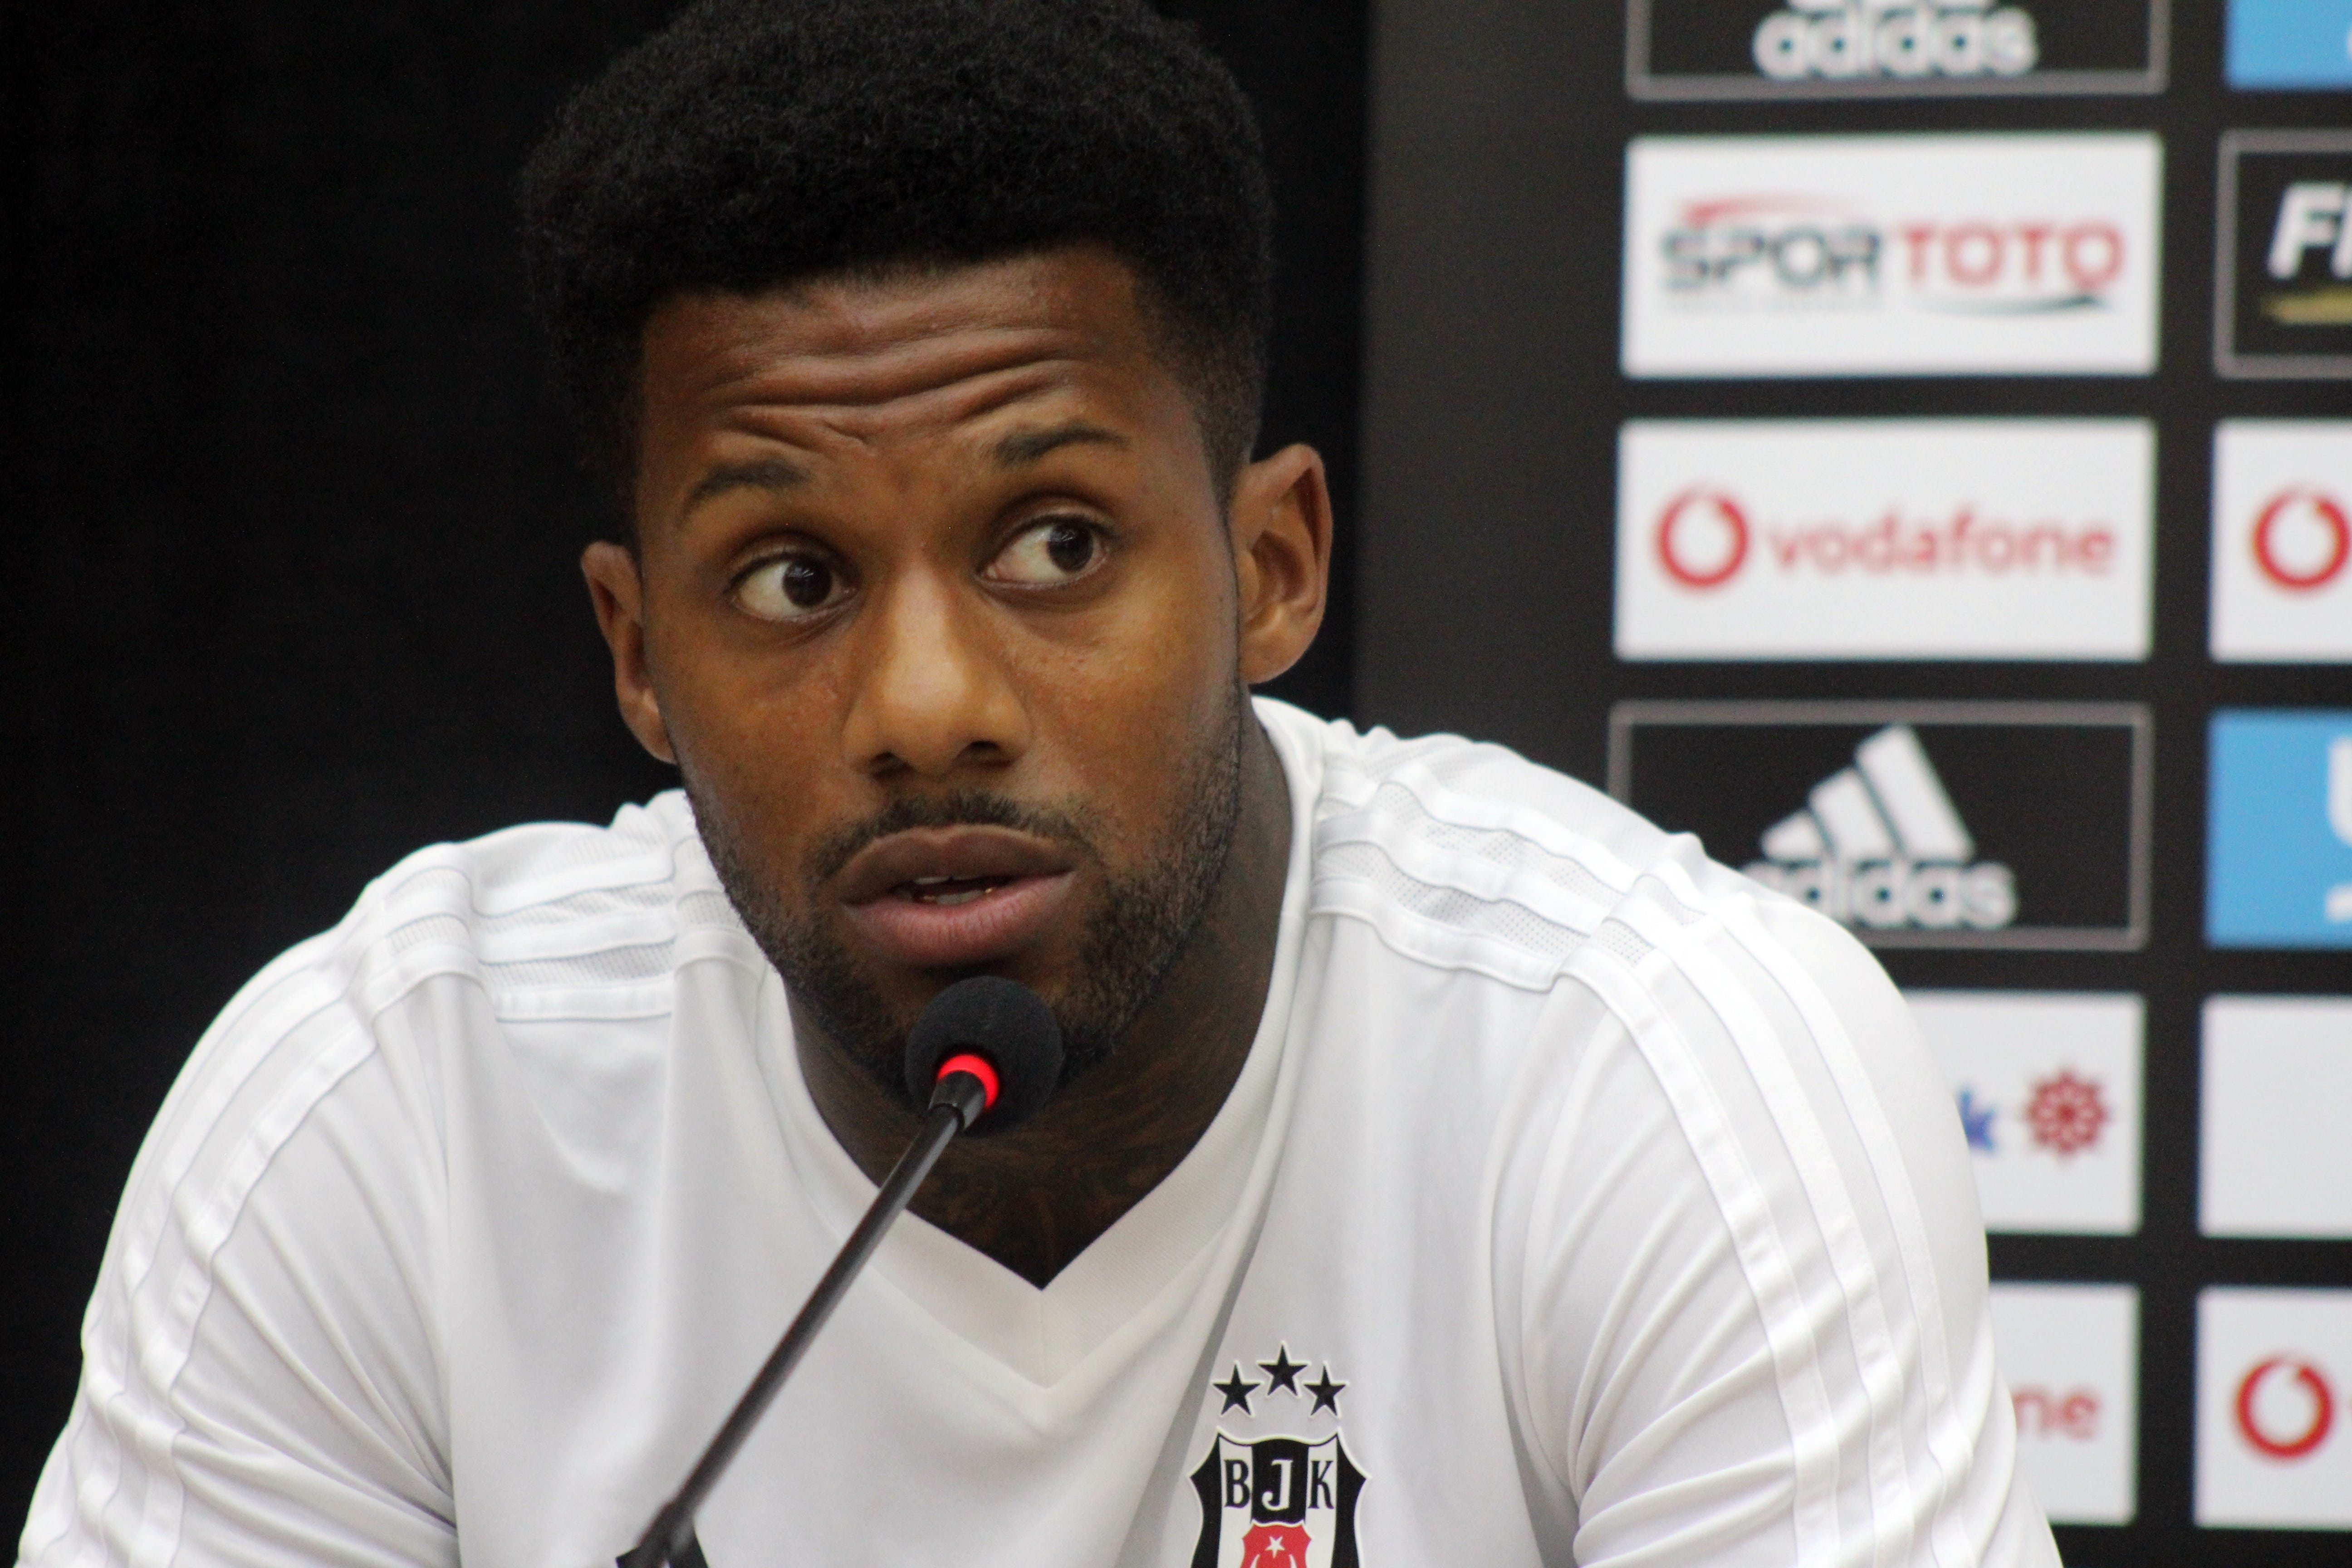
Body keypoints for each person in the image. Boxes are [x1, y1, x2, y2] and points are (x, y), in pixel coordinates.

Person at [18, 1, 2058, 1563]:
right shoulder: (391, 1121)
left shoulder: (1656, 1081)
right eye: (793, 577)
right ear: (638, 655)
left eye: (1056, 544)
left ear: (1273, 567)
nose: (926, 707)